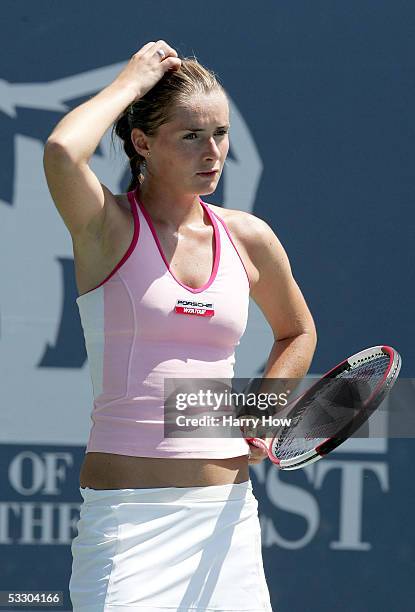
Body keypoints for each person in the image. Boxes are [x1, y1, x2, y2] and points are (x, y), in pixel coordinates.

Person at [43, 40, 317, 612]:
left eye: (219, 133)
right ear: (142, 142)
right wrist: (130, 83)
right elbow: (64, 151)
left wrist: (262, 412)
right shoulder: (107, 226)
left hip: (227, 521)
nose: (212, 151)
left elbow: (296, 331)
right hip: (127, 519)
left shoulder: (248, 237)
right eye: (191, 135)